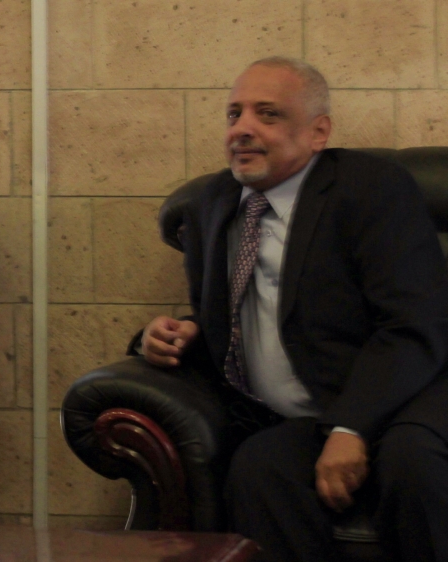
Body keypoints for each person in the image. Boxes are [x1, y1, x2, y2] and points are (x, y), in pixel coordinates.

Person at [140, 56, 448, 561]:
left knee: (412, 460)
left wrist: (352, 428)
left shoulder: (371, 189)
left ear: (317, 132)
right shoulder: (211, 206)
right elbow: (234, 314)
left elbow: (414, 324)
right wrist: (178, 334)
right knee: (259, 469)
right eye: (233, 114)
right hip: (313, 412)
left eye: (268, 114)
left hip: (412, 392)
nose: (242, 129)